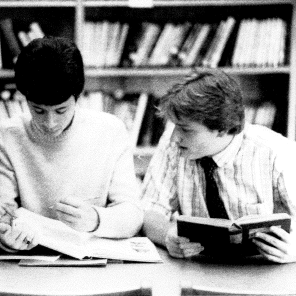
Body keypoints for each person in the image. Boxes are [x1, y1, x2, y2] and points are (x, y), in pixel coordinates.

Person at [0, 36, 143, 253]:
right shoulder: (8, 136)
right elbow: (3, 213)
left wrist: (96, 219)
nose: (50, 123)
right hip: (29, 261)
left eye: (61, 110)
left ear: (77, 97)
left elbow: (133, 213)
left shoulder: (110, 131)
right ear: (24, 98)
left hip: (94, 261)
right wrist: (6, 239)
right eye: (38, 110)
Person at [141, 69, 296, 264]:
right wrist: (167, 234)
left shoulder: (276, 152)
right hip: (200, 268)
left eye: (185, 129)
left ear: (222, 129)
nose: (174, 137)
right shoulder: (173, 145)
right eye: (174, 126)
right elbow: (148, 211)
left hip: (267, 272)